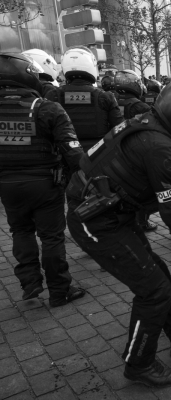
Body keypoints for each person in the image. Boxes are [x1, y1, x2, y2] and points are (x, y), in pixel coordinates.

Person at [65, 78, 171, 388]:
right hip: (95, 221)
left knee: (158, 274)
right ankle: (139, 363)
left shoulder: (153, 129)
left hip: (111, 214)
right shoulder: (160, 146)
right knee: (153, 290)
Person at [0, 53, 86, 306]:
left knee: (21, 231)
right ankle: (60, 290)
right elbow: (72, 150)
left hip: (7, 186)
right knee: (51, 237)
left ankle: (30, 282)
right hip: (45, 184)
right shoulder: (46, 107)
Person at [46, 47, 123, 151]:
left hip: (65, 156)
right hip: (98, 155)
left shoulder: (52, 95)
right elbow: (120, 129)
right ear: (91, 66)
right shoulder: (105, 96)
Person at [113, 70, 158, 232]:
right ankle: (141, 222)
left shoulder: (110, 99)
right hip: (134, 153)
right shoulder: (140, 106)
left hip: (112, 152)